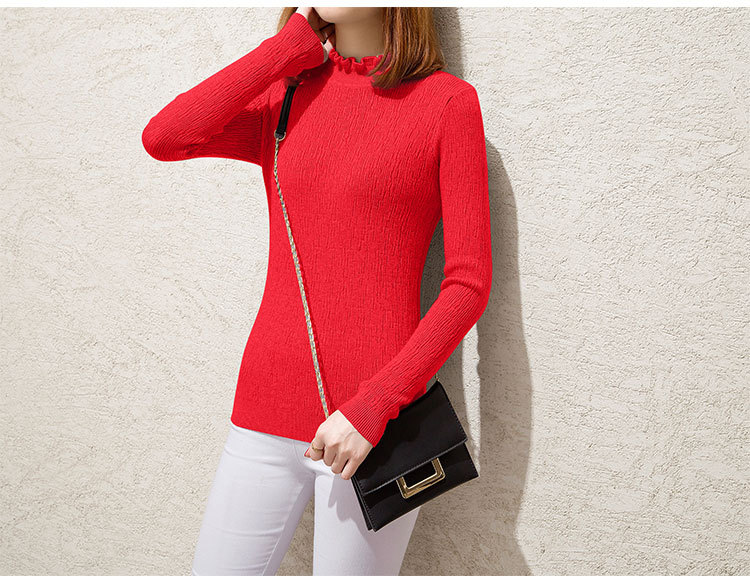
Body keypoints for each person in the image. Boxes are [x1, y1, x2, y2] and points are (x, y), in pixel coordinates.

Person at [141, 5, 493, 576]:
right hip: (264, 404)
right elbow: (165, 137)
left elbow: (468, 284)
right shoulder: (286, 97)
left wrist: (375, 406)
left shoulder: (447, 104)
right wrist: (288, 47)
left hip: (375, 429)